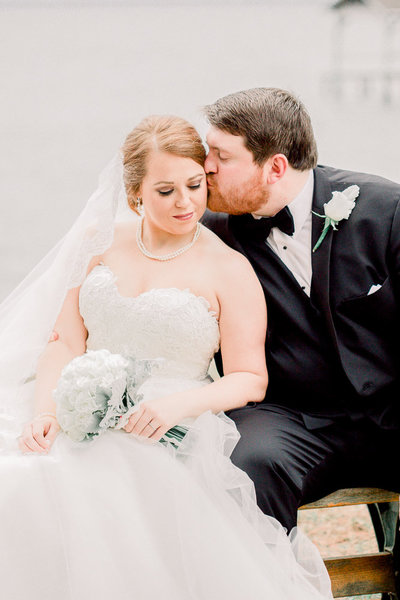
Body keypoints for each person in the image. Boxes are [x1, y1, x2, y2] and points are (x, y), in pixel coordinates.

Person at [0, 115, 333, 600]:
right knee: (21, 478)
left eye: (195, 185)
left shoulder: (229, 267)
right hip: (76, 403)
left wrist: (178, 406)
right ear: (135, 192)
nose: (185, 203)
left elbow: (248, 378)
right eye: (165, 191)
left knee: (95, 487)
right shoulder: (98, 243)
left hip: (169, 423)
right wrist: (47, 412)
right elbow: (66, 344)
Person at [202, 87, 400, 533]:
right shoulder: (209, 234)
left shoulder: (385, 211)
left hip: (391, 415)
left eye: (221, 156)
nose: (206, 167)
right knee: (244, 466)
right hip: (290, 421)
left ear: (274, 167)